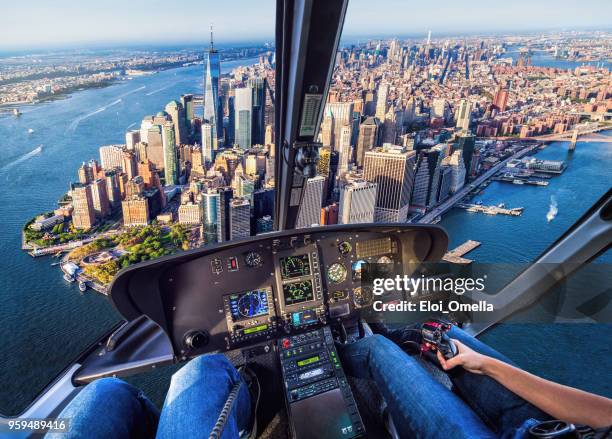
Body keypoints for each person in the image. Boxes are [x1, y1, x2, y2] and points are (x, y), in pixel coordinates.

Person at [47, 325, 612, 439]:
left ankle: (364, 347)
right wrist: (482, 364)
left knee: (192, 369)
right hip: (549, 428)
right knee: (99, 394)